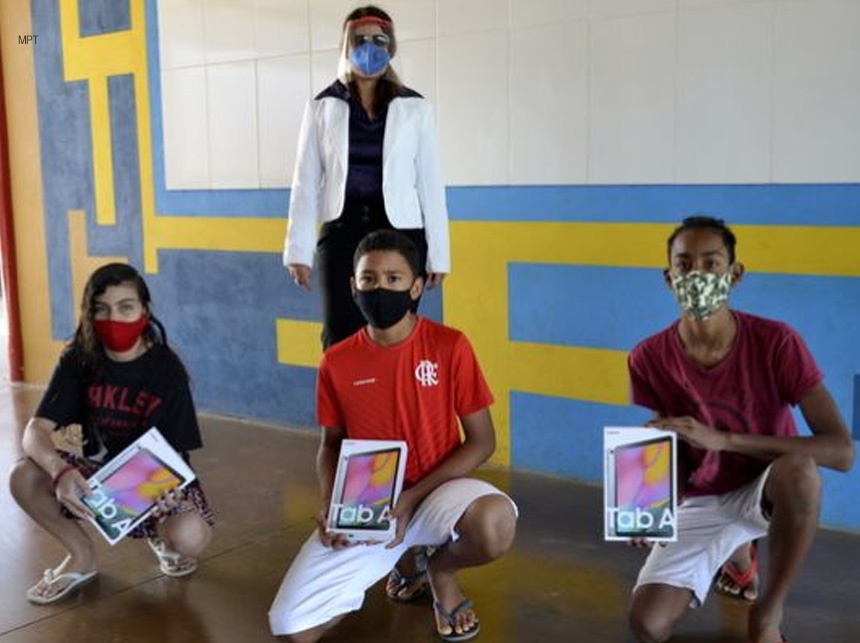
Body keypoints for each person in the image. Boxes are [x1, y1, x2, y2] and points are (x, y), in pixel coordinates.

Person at [269, 230, 517, 642]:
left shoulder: (450, 345)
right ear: (353, 287)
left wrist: (412, 498)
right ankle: (400, 560)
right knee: (292, 627)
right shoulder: (336, 361)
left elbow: (482, 441)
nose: (380, 288)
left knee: (494, 523)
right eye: (369, 279)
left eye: (394, 278)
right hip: (369, 500)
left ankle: (441, 572)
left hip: (438, 489)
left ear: (416, 287)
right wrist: (332, 503)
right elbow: (331, 444)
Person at [626, 216, 855, 643]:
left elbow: (842, 452)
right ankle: (736, 552)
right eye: (684, 264)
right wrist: (650, 504)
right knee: (648, 625)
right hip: (705, 495)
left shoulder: (776, 342)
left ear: (735, 273)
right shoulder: (647, 356)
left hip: (767, 489)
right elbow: (669, 439)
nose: (697, 275)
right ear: (668, 277)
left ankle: (769, 610)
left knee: (801, 472)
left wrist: (725, 440)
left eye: (711, 263)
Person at [9, 262, 214, 604]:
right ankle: (81, 557)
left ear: (144, 310)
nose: (113, 318)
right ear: (89, 314)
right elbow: (35, 431)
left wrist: (167, 500)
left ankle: (162, 536)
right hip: (97, 481)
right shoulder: (79, 360)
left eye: (125, 307)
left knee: (189, 536)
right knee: (23, 476)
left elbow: (175, 456)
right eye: (101, 309)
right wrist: (60, 472)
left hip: (156, 485)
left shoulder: (167, 370)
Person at [283, 5, 450, 350]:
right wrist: (298, 250)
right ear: (345, 46)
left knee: (395, 333)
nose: (369, 47)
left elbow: (431, 185)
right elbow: (305, 182)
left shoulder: (415, 108)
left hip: (401, 233)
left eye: (378, 39)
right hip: (342, 230)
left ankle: (393, 389)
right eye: (359, 40)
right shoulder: (322, 107)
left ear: (391, 46)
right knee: (340, 334)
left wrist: (439, 253)